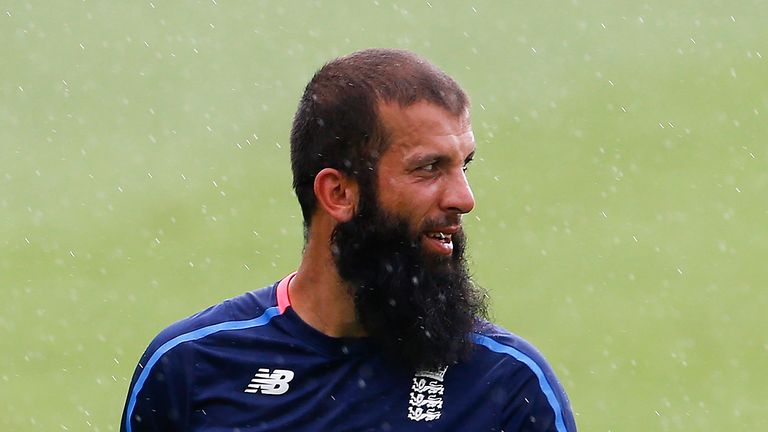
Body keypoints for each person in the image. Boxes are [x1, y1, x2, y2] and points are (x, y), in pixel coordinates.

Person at [121, 48, 577, 431]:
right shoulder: (193, 368)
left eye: (465, 165)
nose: (464, 198)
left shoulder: (507, 385)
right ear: (339, 193)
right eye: (429, 168)